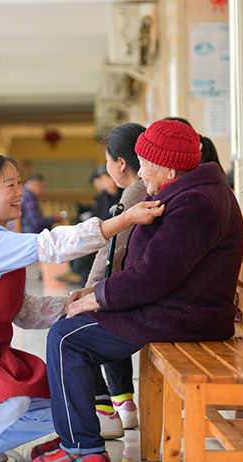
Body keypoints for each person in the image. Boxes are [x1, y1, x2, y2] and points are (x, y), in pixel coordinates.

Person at [0, 154, 164, 462]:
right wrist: (123, 221)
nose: (20, 192)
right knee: (11, 402)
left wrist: (77, 301)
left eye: (19, 183)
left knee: (55, 406)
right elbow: (55, 245)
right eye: (10, 185)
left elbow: (26, 312)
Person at [31, 119, 243, 462]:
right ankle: (76, 434)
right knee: (68, 327)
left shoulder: (195, 203)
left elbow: (153, 276)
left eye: (145, 163)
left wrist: (98, 297)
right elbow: (151, 268)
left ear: (169, 167)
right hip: (171, 305)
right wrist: (94, 292)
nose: (140, 171)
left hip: (183, 314)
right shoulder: (188, 192)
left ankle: (82, 448)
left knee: (66, 337)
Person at [83, 123, 147, 439]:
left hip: (141, 291)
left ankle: (107, 409)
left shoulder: (136, 191)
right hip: (145, 284)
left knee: (80, 324)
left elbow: (114, 248)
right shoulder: (144, 188)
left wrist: (90, 288)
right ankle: (121, 403)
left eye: (109, 161)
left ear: (120, 163)